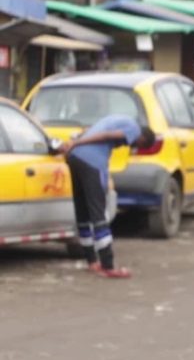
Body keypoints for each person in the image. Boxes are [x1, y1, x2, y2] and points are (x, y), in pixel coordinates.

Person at [59, 115, 156, 279]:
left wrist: (74, 143)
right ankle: (108, 265)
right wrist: (77, 143)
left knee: (82, 211)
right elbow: (106, 136)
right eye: (138, 144)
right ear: (143, 138)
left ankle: (91, 261)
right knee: (98, 213)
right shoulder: (133, 128)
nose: (130, 145)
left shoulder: (113, 120)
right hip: (92, 162)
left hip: (75, 158)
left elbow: (89, 131)